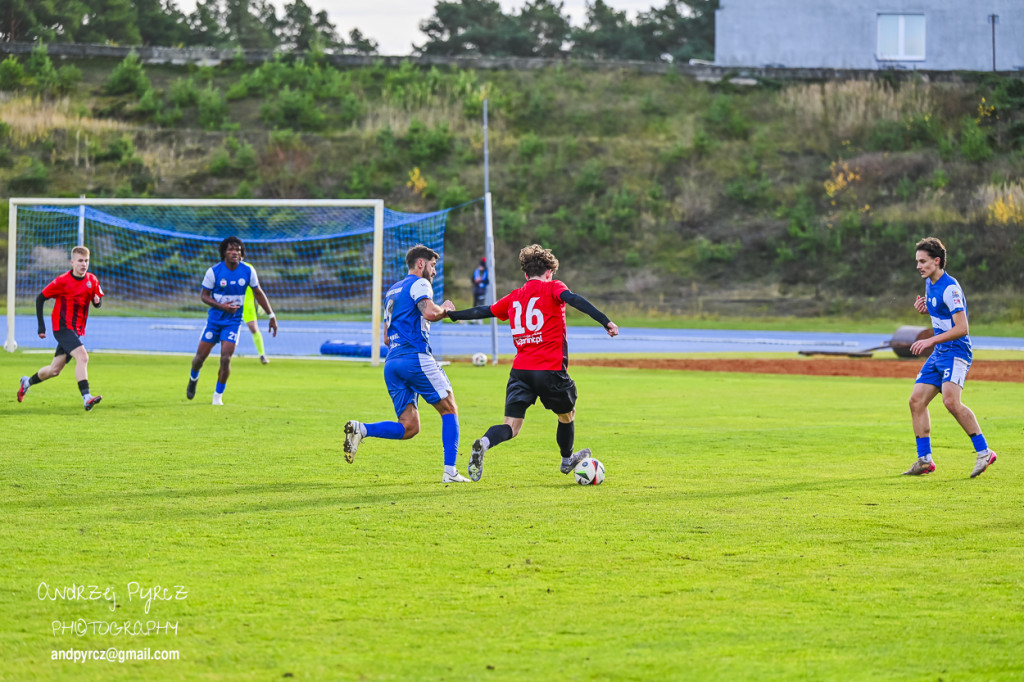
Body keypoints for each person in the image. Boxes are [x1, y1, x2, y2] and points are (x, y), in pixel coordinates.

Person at [447, 244, 619, 481]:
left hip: (520, 371)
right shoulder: (553, 287)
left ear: (525, 274)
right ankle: (567, 459)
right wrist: (605, 321)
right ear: (549, 272)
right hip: (549, 369)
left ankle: (484, 442)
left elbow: (484, 311)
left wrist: (453, 315)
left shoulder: (514, 296)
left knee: (511, 427)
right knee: (567, 415)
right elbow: (575, 299)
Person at [342, 244, 471, 483]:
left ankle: (363, 429)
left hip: (392, 362)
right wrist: (446, 310)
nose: (434, 271)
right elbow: (430, 312)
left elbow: (385, 337)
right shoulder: (420, 284)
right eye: (432, 266)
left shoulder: (392, 291)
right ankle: (450, 471)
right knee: (450, 408)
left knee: (409, 426)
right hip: (415, 358)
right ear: (420, 264)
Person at [903, 237, 996, 478]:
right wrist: (927, 309)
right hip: (940, 352)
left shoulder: (950, 288)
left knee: (951, 402)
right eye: (917, 261)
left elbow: (962, 327)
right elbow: (941, 314)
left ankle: (984, 452)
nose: (918, 266)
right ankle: (924, 460)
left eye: (922, 261)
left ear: (937, 261)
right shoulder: (930, 283)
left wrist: (930, 340)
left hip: (956, 351)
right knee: (916, 401)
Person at [187, 236, 277, 405]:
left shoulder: (248, 271)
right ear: (224, 253)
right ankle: (193, 378)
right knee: (199, 359)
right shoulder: (213, 272)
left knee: (226, 358)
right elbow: (204, 296)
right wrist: (222, 307)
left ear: (241, 254)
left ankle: (217, 396)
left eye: (238, 250)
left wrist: (271, 315)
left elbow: (258, 292)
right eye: (230, 250)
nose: (234, 252)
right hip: (214, 321)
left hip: (233, 322)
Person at [17, 246, 105, 411]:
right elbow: (40, 298)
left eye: (86, 261)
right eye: (80, 261)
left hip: (76, 330)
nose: (83, 264)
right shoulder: (63, 280)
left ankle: (26, 382)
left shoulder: (92, 280)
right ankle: (86, 398)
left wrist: (97, 302)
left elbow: (98, 301)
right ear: (72, 262)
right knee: (83, 357)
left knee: (54, 370)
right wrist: (41, 326)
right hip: (62, 327)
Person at [243, 284, 270, 364]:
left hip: (247, 305)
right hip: (231, 302)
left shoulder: (249, 272)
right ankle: (224, 354)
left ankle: (262, 355)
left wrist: (261, 303)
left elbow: (256, 288)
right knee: (225, 327)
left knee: (253, 328)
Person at [471, 256, 489, 322]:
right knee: (475, 304)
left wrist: (481, 280)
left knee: (481, 305)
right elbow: (472, 279)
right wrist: (476, 281)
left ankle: (480, 319)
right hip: (476, 290)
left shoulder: (486, 272)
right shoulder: (476, 271)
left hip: (482, 290)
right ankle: (473, 318)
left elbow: (487, 281)